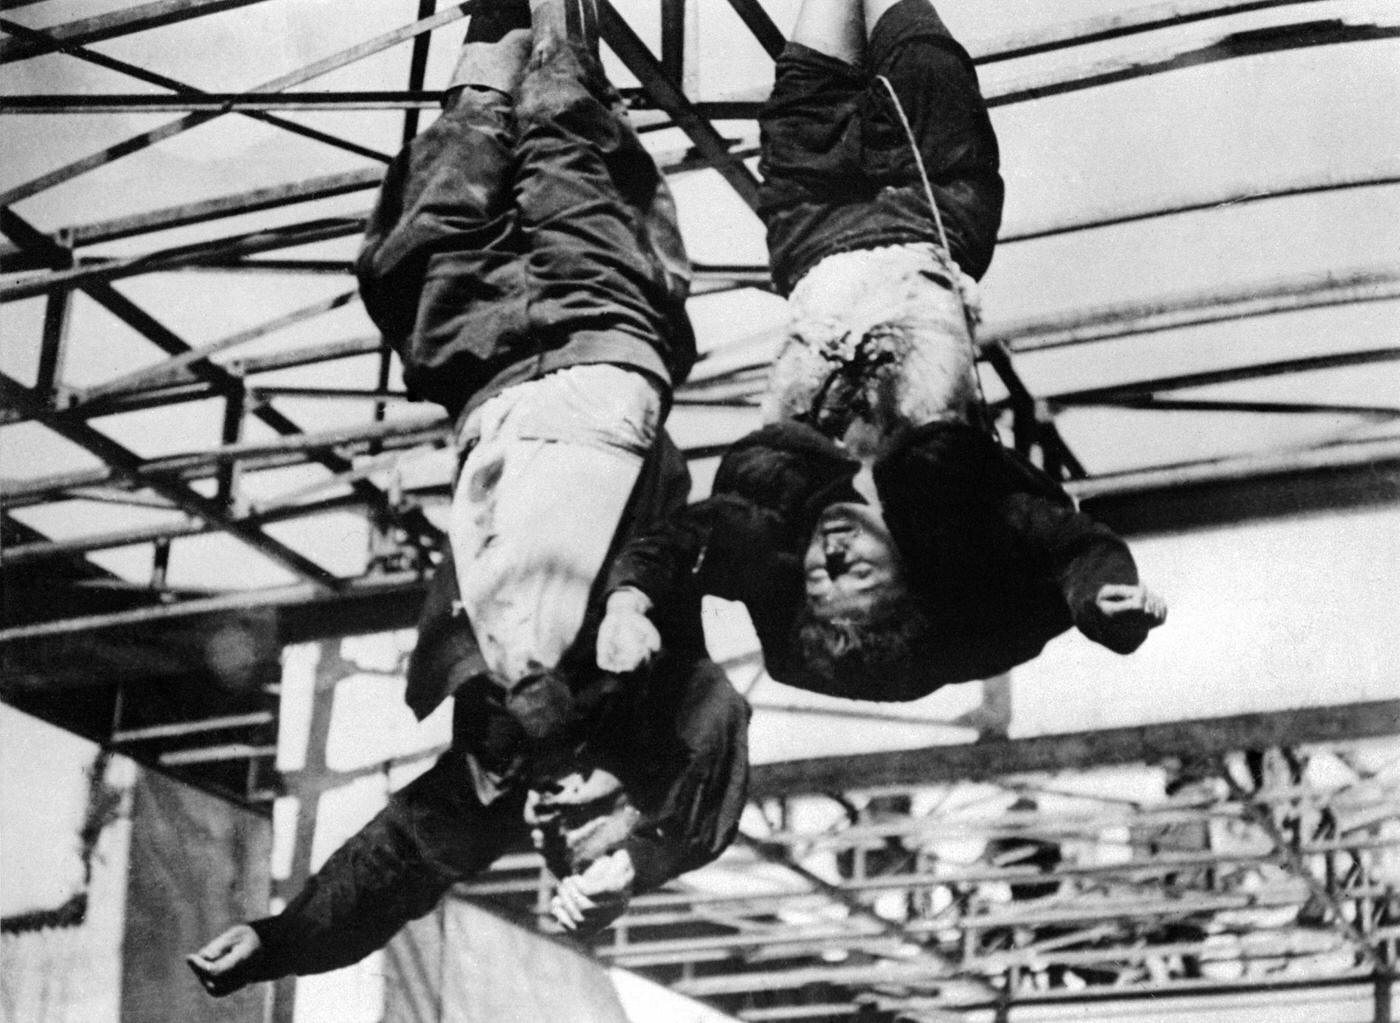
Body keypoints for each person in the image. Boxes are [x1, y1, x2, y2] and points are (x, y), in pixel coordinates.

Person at [188, 0, 751, 995]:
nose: (555, 805)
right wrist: (640, 856)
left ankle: (492, 28)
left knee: (414, 241)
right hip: (591, 354)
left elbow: (392, 866)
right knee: (563, 133)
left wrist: (284, 941)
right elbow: (713, 744)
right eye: (588, 813)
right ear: (633, 800)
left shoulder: (494, 781)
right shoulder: (664, 713)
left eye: (552, 829)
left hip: (486, 382)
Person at [596, 0, 1165, 700]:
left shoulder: (769, 525)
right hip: (933, 209)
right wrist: (1104, 596)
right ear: (911, 568)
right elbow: (1067, 546)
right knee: (915, 44)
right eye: (859, 571)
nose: (833, 553)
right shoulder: (964, 517)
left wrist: (629, 603)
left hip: (810, 229)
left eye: (818, 578)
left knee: (814, 53)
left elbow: (677, 546)